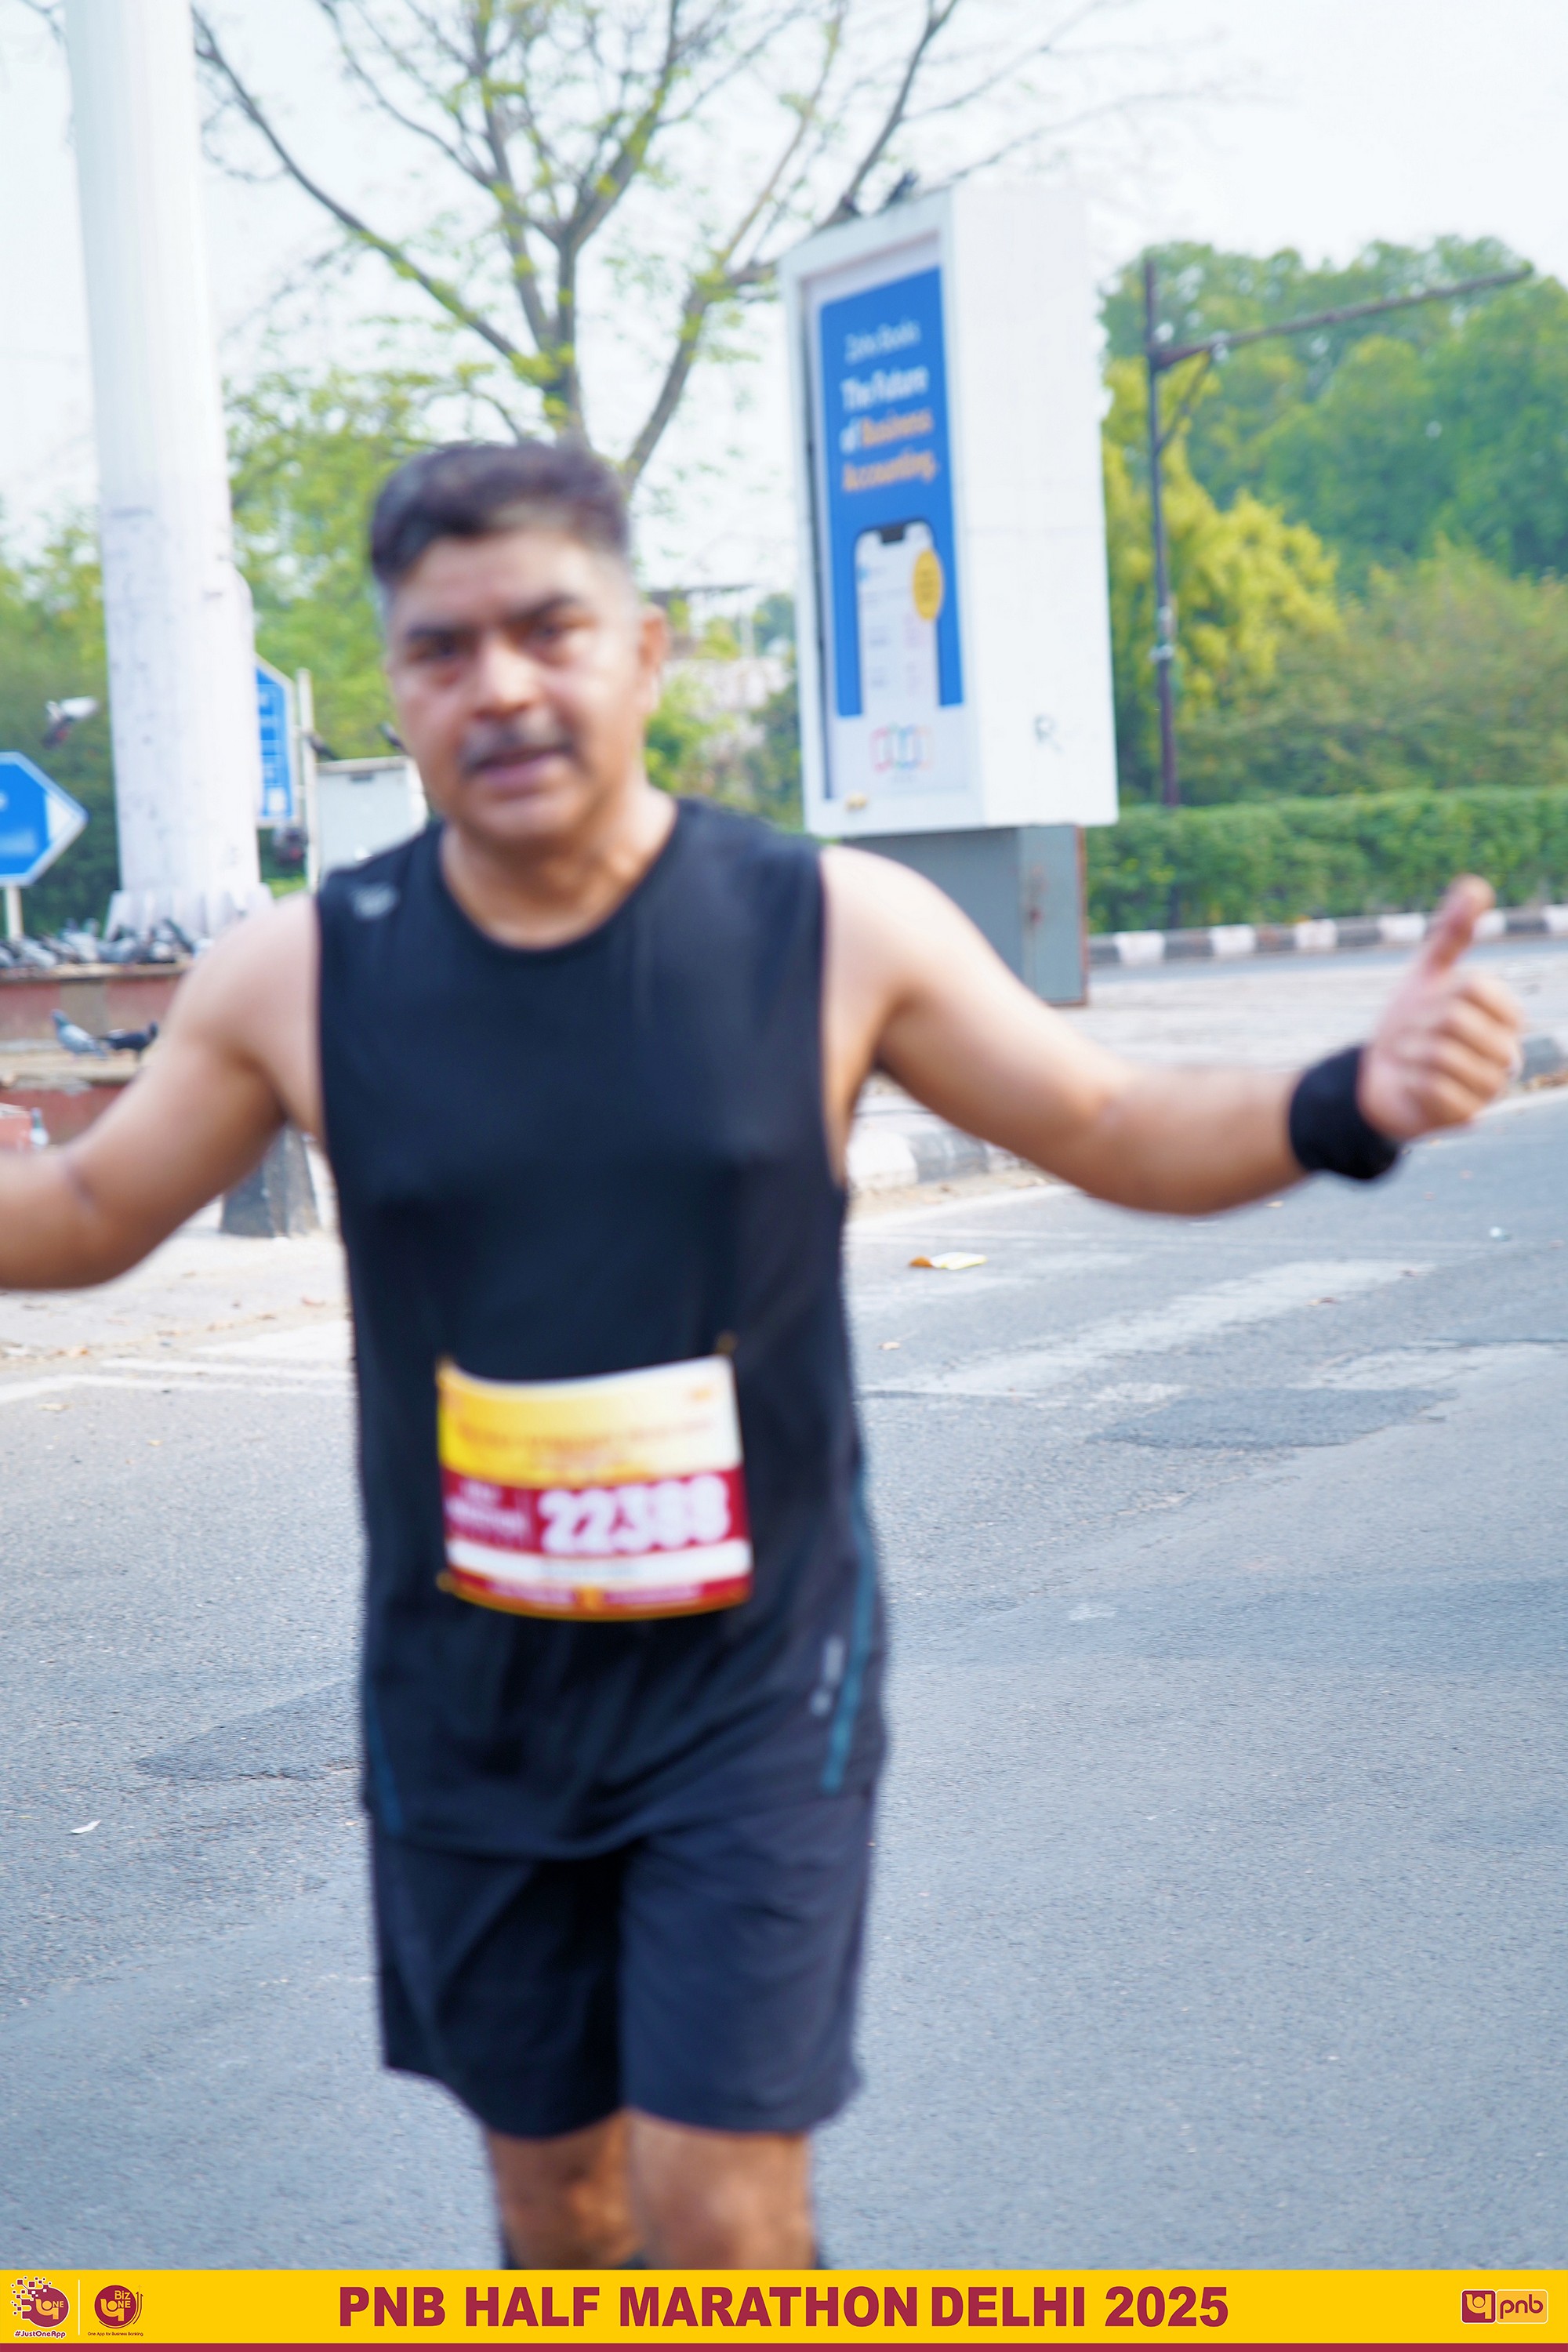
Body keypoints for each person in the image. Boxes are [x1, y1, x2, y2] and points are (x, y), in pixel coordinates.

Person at [0, 441, 1522, 2268]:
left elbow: (1110, 1123)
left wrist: (1345, 1096)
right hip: (466, 1699)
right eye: (442, 649)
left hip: (750, 1689)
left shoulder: (825, 925)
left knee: (724, 2216)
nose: (500, 685)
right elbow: (87, 1213)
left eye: (550, 629)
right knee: (557, 2216)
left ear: (643, 653)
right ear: (394, 690)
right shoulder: (302, 972)